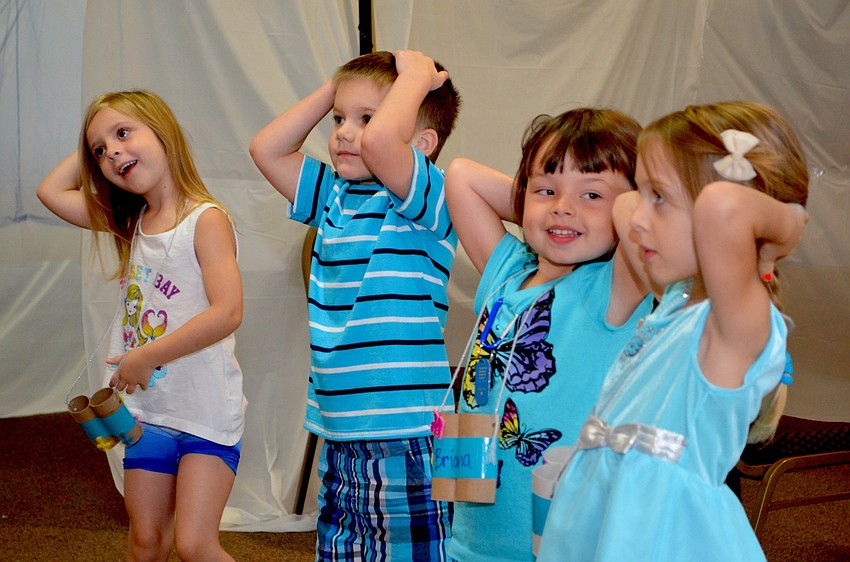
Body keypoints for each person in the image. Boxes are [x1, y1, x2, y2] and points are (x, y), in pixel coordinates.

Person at [536, 101, 809, 561]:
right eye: (644, 193)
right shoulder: (676, 300)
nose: (638, 217)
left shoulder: (734, 329)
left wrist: (787, 226)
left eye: (659, 198)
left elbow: (725, 206)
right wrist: (653, 192)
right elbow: (625, 207)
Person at [249, 50, 461, 561]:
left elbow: (386, 145)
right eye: (340, 118)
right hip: (340, 431)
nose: (345, 131)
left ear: (423, 145)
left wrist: (413, 78)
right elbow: (266, 148)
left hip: (409, 435)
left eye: (366, 119)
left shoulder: (426, 198)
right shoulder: (335, 197)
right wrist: (336, 88)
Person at [37, 89, 246, 562]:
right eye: (99, 149)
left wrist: (147, 355)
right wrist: (97, 141)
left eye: (124, 133)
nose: (112, 150)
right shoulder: (131, 222)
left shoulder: (205, 220)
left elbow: (228, 311)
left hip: (205, 416)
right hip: (149, 414)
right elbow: (50, 192)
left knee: (194, 544)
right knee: (145, 542)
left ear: (163, 132)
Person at [443, 108, 655, 562]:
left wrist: (601, 199)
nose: (563, 206)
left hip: (559, 546)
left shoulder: (614, 288)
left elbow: (642, 216)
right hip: (471, 541)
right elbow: (461, 177)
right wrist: (539, 201)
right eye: (547, 190)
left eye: (593, 195)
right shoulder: (506, 271)